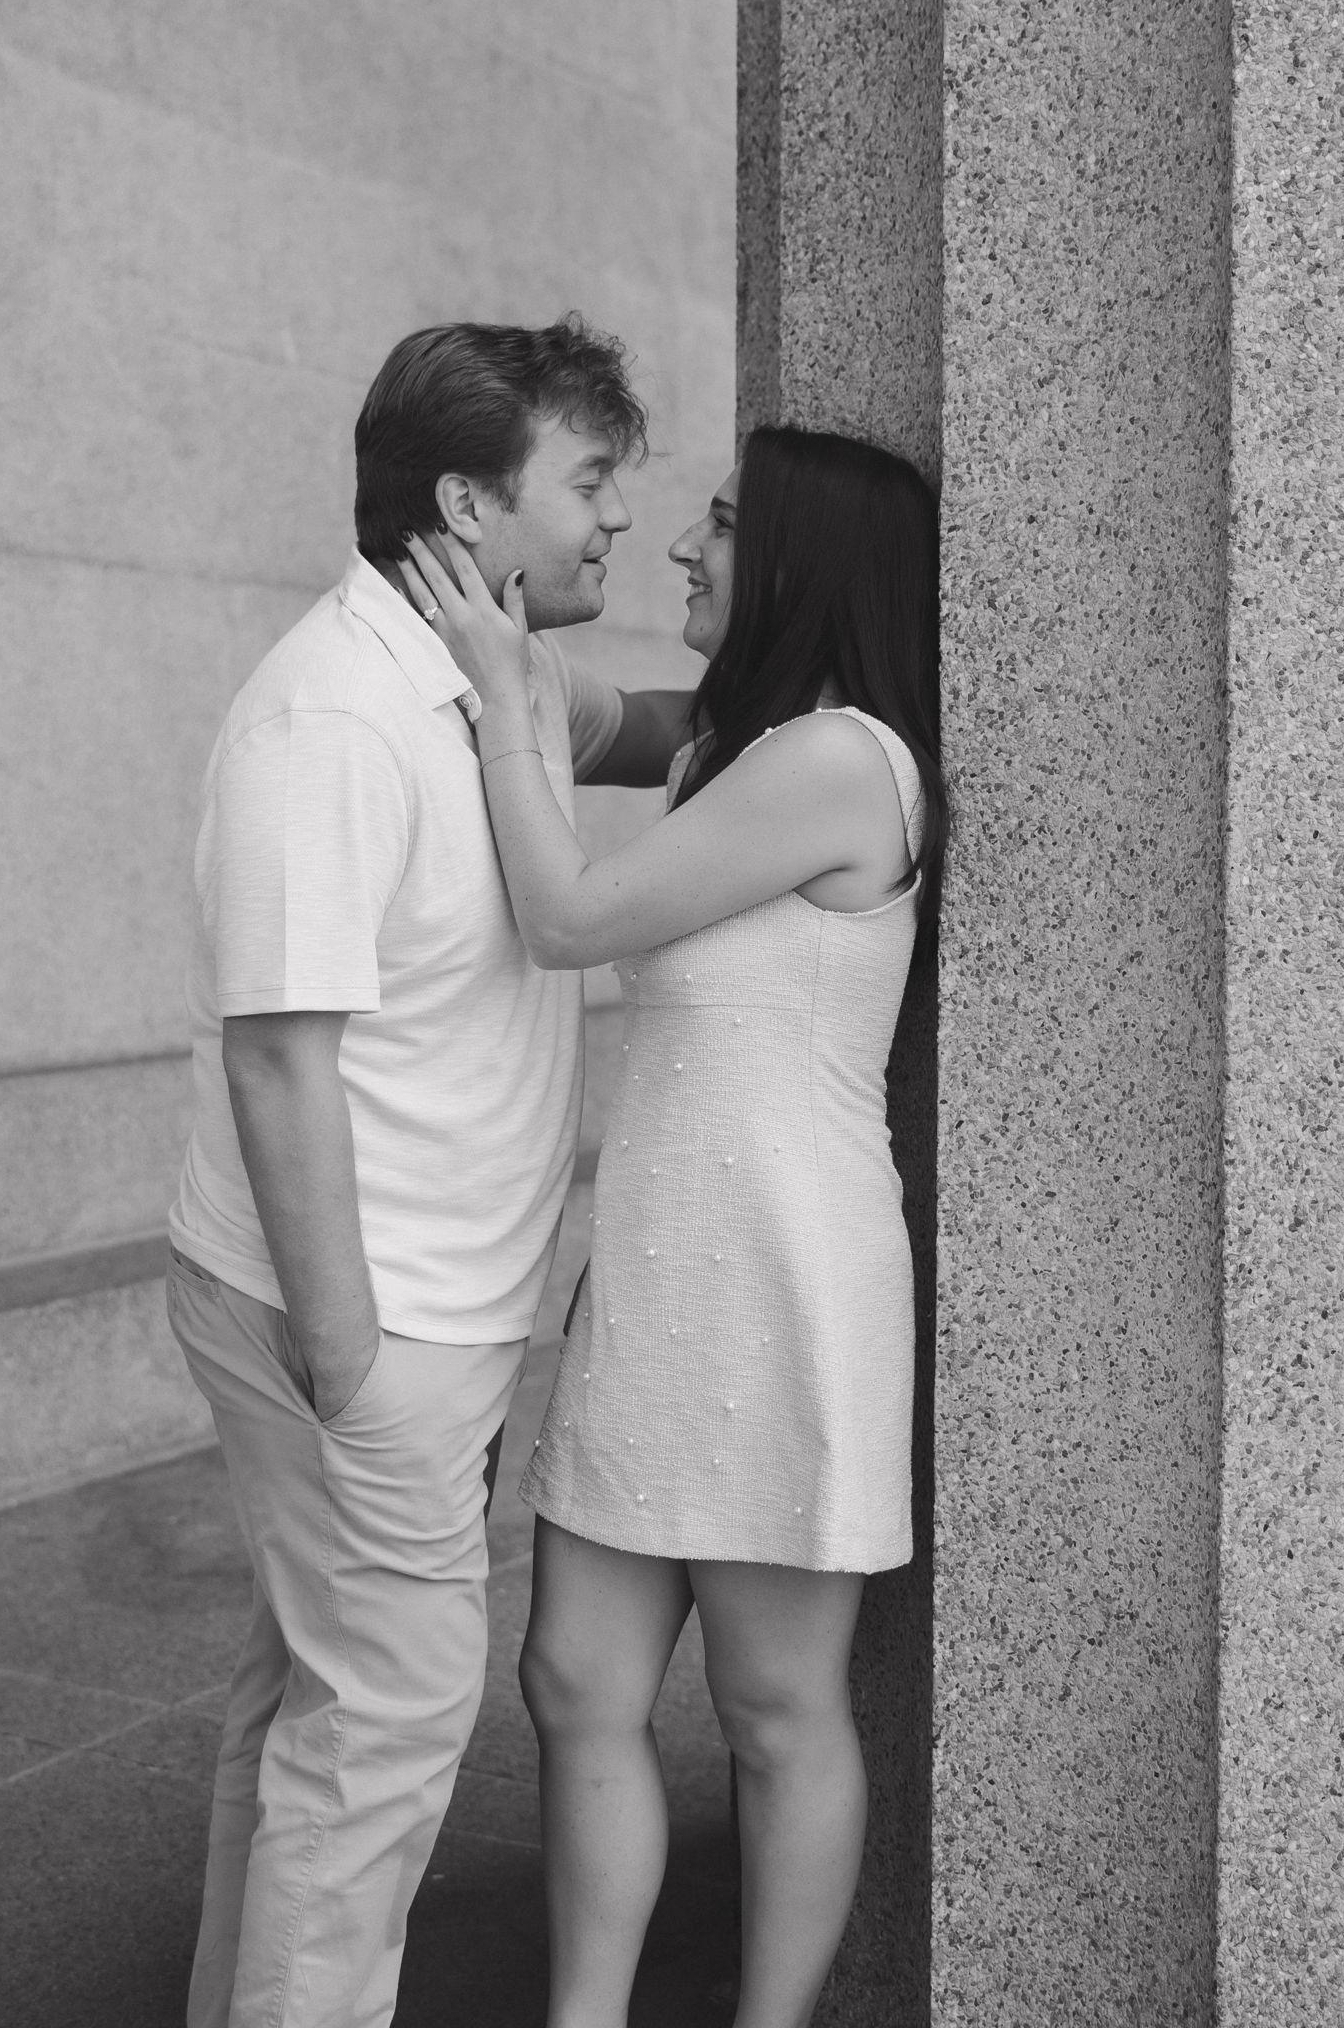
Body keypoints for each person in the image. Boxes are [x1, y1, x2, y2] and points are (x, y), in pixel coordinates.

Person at [164, 314, 695, 2028]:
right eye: (590, 483)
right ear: (470, 506)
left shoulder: (491, 672)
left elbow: (668, 729)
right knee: (382, 1735)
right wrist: (354, 1363)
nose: (619, 518)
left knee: (315, 1713)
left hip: (430, 1321)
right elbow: (277, 1055)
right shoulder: (332, 715)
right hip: (364, 1321)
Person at [400, 423, 946, 2028]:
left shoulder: (840, 760)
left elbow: (569, 915)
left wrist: (505, 701)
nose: (682, 550)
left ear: (804, 561)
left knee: (774, 1707)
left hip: (784, 1277)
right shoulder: (729, 740)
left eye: (718, 523)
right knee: (574, 1676)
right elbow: (590, 714)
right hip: (660, 1268)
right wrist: (492, 611)